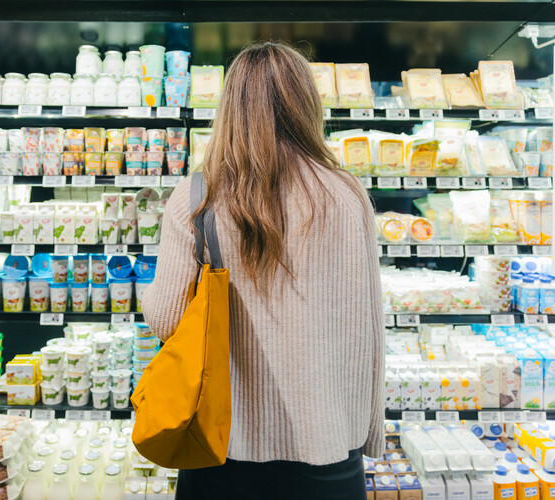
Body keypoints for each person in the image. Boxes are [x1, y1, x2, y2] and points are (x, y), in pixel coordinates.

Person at [141, 42, 384, 500]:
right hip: (329, 446)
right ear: (306, 104)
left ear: (229, 107)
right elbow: (371, 323)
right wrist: (369, 430)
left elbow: (167, 320)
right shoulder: (348, 195)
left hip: (223, 445)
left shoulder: (199, 196)